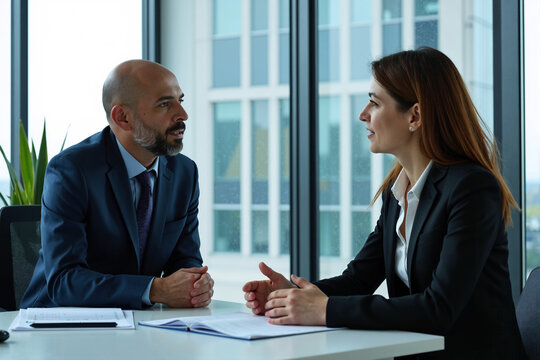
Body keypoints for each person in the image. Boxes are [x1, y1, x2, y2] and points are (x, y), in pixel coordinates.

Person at [243, 47, 525, 359]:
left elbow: (439, 307)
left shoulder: (472, 188)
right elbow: (360, 278)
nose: (363, 114)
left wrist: (325, 309)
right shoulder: (397, 188)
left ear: (414, 116)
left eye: (375, 103)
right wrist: (293, 296)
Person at [21, 60, 214, 309]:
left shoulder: (184, 172)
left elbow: (185, 262)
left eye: (180, 100)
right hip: (59, 325)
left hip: (139, 325)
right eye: (165, 104)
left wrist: (195, 286)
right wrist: (154, 289)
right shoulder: (71, 170)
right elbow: (64, 281)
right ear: (122, 117)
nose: (183, 115)